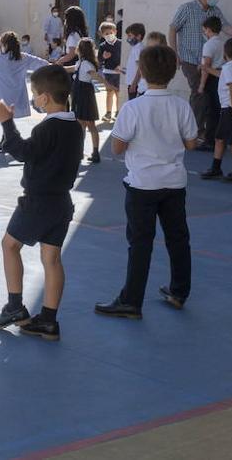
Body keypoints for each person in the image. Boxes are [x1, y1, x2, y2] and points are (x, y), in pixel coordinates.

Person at [95, 45, 197, 320]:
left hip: (142, 184)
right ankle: (179, 290)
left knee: (140, 242)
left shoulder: (133, 107)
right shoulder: (181, 105)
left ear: (142, 72)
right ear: (174, 71)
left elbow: (117, 147)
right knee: (178, 238)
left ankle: (131, 300)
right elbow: (191, 142)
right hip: (174, 182)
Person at [0, 65, 83, 341]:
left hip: (38, 202)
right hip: (61, 203)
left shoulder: (48, 128)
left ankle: (15, 306)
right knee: (52, 259)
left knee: (10, 245)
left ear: (44, 98)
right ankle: (49, 320)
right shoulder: (74, 127)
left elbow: (22, 152)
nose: (33, 98)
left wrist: (6, 122)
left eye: (34, 94)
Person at [169, 0, 232, 129]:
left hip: (211, 62)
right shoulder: (187, 8)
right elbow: (173, 28)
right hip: (190, 59)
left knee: (211, 96)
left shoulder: (215, 11)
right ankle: (193, 129)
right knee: (199, 92)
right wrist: (174, 53)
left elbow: (225, 26)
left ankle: (208, 132)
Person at [201, 38, 232, 183]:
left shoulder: (228, 67)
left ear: (224, 53)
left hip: (231, 108)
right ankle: (216, 167)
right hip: (230, 108)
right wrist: (207, 69)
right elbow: (222, 76)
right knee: (219, 138)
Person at [70, 38, 105, 163]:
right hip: (81, 95)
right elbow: (73, 68)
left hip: (84, 95)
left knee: (89, 124)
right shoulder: (81, 62)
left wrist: (107, 84)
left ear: (81, 49)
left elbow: (95, 75)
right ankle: (81, 151)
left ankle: (94, 152)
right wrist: (58, 67)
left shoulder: (86, 64)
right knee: (82, 124)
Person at [196, 17, 224, 151]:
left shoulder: (209, 45)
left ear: (209, 29)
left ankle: (209, 140)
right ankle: (218, 139)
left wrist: (202, 85)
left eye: (205, 30)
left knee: (210, 111)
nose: (204, 33)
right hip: (221, 76)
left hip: (212, 78)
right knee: (217, 110)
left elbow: (206, 66)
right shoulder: (222, 43)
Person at [97, 21, 122, 121]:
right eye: (106, 34)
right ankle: (108, 113)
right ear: (102, 35)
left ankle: (118, 112)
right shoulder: (102, 46)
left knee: (118, 93)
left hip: (119, 72)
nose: (109, 35)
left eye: (111, 32)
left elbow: (124, 56)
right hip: (108, 72)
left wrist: (120, 65)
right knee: (109, 92)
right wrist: (103, 57)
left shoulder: (120, 43)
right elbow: (99, 59)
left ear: (115, 32)